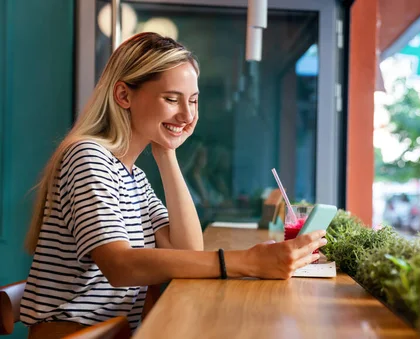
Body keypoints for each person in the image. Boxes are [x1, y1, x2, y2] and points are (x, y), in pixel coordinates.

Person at [20, 32, 326, 338]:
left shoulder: (133, 176)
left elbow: (188, 249)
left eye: (193, 101)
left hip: (113, 332)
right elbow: (119, 265)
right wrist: (248, 262)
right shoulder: (88, 156)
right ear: (124, 96)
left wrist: (167, 153)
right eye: (171, 99)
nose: (188, 114)